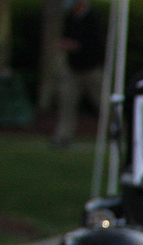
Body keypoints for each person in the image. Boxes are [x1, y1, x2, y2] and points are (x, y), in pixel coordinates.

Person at [52, 0, 105, 149]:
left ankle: (118, 131)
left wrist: (78, 46)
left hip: (91, 69)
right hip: (72, 69)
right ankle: (62, 137)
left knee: (102, 103)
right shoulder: (70, 18)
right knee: (67, 103)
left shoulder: (94, 18)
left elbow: (97, 44)